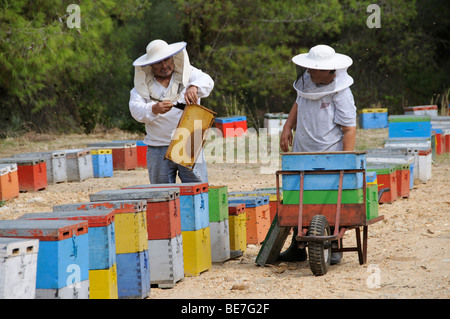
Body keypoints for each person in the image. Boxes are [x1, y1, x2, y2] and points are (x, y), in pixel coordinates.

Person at [279, 44, 357, 265]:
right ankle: (297, 246)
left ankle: (333, 245)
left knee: (327, 199)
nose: (310, 71)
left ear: (330, 71)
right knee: (298, 198)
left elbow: (349, 128)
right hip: (301, 152)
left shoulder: (341, 92)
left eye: (314, 69)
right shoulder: (307, 81)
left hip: (329, 154)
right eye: (309, 68)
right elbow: (298, 101)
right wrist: (287, 127)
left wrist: (344, 161)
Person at [129, 39, 214, 184]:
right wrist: (154, 109)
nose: (164, 66)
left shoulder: (189, 74)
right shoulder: (141, 86)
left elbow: (207, 81)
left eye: (167, 60)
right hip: (158, 147)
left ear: (173, 57)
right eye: (158, 62)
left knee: (196, 191)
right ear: (150, 65)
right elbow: (135, 109)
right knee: (162, 197)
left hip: (188, 143)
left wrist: (194, 87)